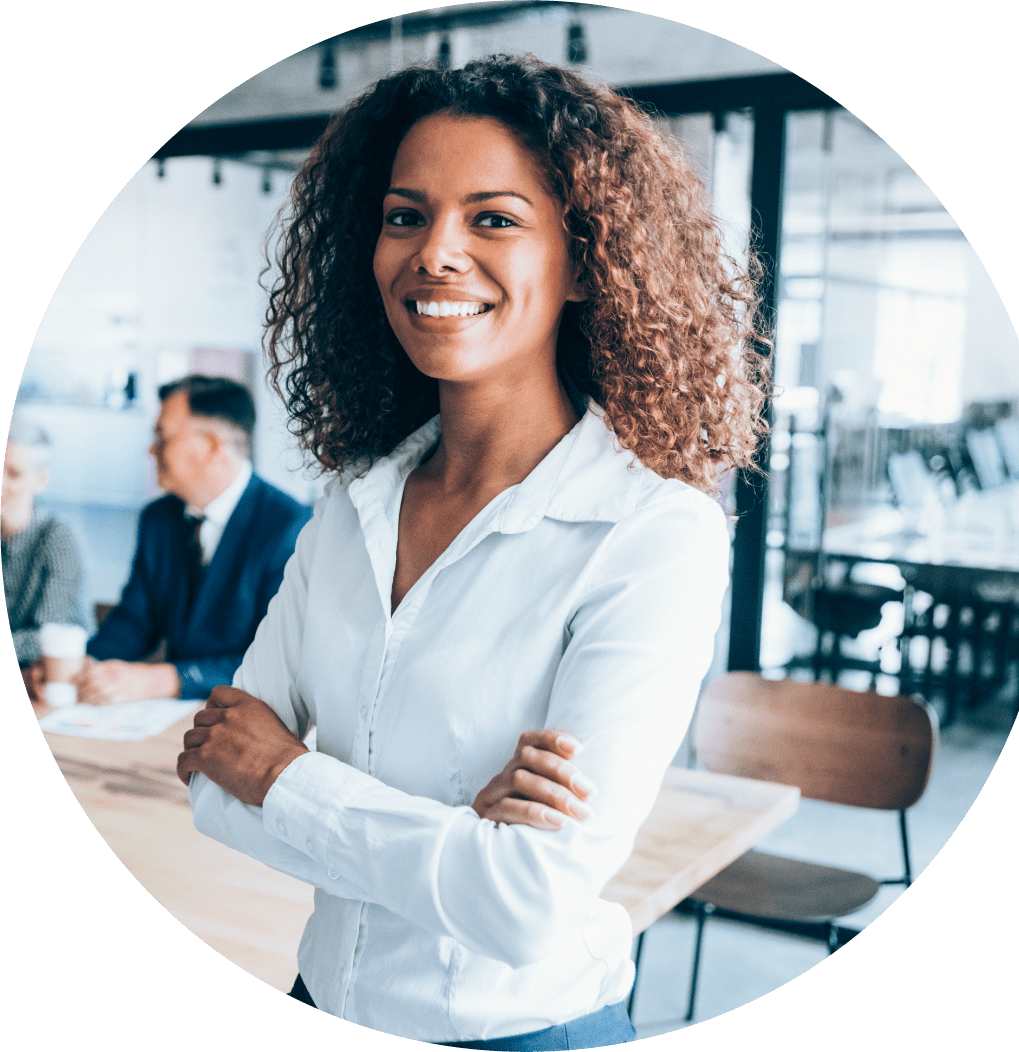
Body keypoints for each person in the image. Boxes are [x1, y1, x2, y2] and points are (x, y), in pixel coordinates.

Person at [178, 56, 769, 1048]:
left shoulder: (652, 533)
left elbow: (527, 902)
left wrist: (286, 775)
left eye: (492, 218)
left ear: (585, 260)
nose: (435, 253)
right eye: (406, 215)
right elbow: (208, 778)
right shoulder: (352, 500)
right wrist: (456, 830)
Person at [75, 375, 312, 704]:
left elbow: (282, 661)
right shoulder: (158, 519)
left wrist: (165, 679)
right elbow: (135, 620)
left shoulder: (291, 528)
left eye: (162, 436)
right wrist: (87, 666)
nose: (150, 449)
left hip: (251, 718)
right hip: (171, 719)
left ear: (214, 446)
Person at [2, 414, 90, 676]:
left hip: (43, 682)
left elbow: (49, 637)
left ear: (40, 480)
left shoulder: (58, 538)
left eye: (14, 474)